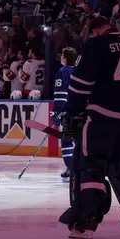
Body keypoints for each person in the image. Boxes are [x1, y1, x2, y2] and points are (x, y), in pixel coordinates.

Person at [60, 16, 120, 239]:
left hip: (101, 119)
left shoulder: (95, 44)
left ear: (94, 30)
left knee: (91, 167)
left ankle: (87, 223)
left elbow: (80, 87)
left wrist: (72, 113)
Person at [51, 47, 78, 182]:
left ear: (65, 58)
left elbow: (60, 94)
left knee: (67, 140)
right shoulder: (81, 71)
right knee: (79, 141)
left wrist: (57, 112)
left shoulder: (62, 72)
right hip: (82, 113)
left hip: (69, 115)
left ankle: (71, 168)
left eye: (62, 55)